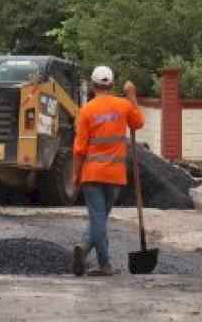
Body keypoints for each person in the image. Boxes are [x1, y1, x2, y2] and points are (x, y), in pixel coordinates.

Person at [71, 65, 145, 277]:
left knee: (97, 218)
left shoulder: (86, 110)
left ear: (93, 86)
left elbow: (79, 149)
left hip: (92, 174)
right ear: (112, 85)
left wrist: (75, 175)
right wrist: (132, 96)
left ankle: (96, 257)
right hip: (114, 175)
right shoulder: (123, 106)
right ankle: (93, 255)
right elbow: (138, 123)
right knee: (100, 219)